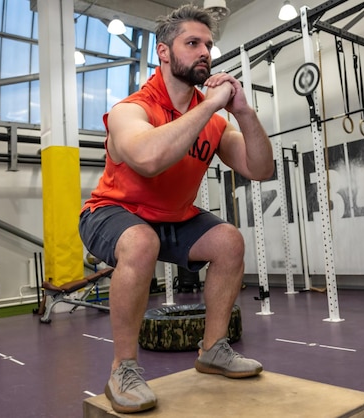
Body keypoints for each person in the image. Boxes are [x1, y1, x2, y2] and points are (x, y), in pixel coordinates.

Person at [78, 4, 274, 414]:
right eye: (192, 43)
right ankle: (123, 369)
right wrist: (211, 105)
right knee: (140, 241)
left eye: (208, 44)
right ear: (164, 52)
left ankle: (213, 350)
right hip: (111, 213)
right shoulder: (131, 109)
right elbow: (149, 158)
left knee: (228, 241)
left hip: (173, 217)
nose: (205, 51)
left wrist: (242, 111)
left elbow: (261, 168)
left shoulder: (217, 121)